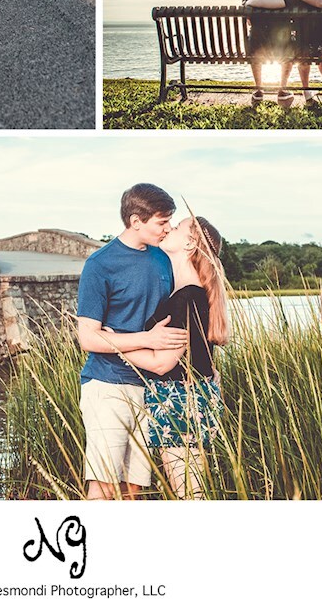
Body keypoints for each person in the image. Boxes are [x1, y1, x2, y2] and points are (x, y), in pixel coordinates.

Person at [76, 183, 187, 500]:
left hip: (150, 386)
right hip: (107, 386)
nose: (167, 229)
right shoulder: (100, 265)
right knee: (104, 483)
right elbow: (88, 337)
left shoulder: (162, 259)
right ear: (136, 221)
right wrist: (147, 339)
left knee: (133, 487)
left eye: (169, 222)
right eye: (161, 222)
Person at [119, 210, 229, 499]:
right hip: (189, 400)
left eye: (177, 226)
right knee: (192, 493)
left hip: (178, 404)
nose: (168, 229)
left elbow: (162, 363)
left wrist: (114, 344)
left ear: (190, 243)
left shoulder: (186, 299)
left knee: (189, 496)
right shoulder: (191, 295)